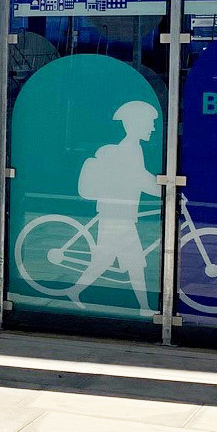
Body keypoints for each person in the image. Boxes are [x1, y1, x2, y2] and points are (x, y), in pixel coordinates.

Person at [68, 98, 160, 311]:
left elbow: (141, 177)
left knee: (125, 262)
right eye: (150, 123)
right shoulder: (128, 149)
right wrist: (166, 189)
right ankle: (144, 308)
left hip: (121, 214)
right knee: (121, 261)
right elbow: (140, 179)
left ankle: (144, 308)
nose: (153, 128)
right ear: (136, 123)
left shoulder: (134, 148)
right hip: (116, 215)